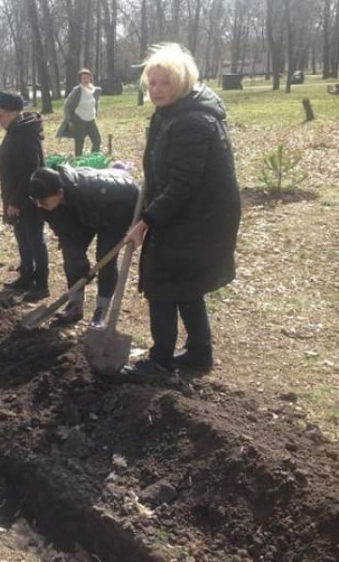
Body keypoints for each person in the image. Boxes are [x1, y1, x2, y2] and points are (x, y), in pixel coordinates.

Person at [123, 43, 241, 376]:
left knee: (161, 284)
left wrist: (146, 222)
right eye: (153, 83)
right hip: (191, 215)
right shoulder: (170, 116)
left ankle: (160, 361)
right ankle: (199, 354)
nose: (157, 90)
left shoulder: (191, 122)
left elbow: (182, 185)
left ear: (183, 84)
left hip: (199, 218)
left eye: (165, 83)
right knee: (187, 285)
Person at [28, 166, 139, 327]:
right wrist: (80, 264)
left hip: (116, 210)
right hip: (82, 213)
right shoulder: (44, 202)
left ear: (59, 193)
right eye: (36, 201)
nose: (39, 205)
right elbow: (65, 233)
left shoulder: (90, 189)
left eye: (43, 201)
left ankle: (101, 311)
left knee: (105, 259)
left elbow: (135, 196)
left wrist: (140, 225)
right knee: (71, 255)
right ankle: (75, 305)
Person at [0, 91, 50, 302]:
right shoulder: (15, 130)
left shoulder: (24, 135)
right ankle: (26, 276)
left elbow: (28, 173)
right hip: (17, 197)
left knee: (34, 240)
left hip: (30, 199)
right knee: (22, 238)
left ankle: (41, 284)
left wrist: (16, 203)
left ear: (13, 113)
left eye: (0, 115)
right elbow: (11, 157)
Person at [57, 68, 102, 156]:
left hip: (91, 120)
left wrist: (95, 113)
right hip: (79, 120)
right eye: (83, 78)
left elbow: (95, 102)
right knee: (79, 143)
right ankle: (78, 162)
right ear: (80, 80)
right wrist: (69, 119)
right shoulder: (77, 91)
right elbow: (67, 105)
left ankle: (93, 159)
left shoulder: (94, 90)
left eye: (87, 77)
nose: (86, 80)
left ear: (90, 79)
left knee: (97, 140)